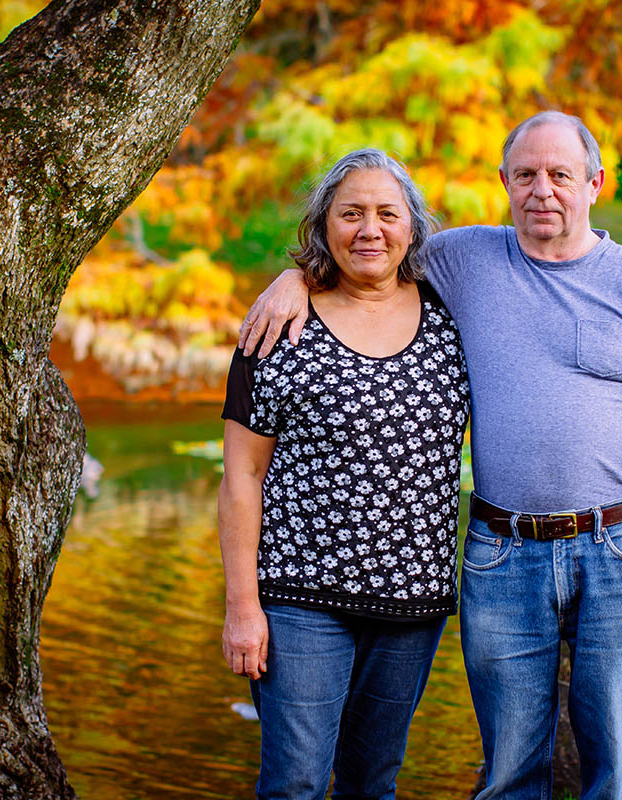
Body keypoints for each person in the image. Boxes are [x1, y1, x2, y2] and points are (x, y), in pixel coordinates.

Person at [238, 112, 622, 800]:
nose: (542, 190)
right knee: (509, 773)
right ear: (504, 183)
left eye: (560, 175)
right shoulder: (463, 260)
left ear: (595, 184)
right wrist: (294, 278)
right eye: (525, 175)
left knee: (614, 773)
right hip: (503, 554)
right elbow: (367, 251)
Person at [218, 148, 470, 800]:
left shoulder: (453, 316)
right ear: (323, 224)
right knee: (295, 784)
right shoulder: (278, 326)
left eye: (387, 214)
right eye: (351, 213)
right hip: (299, 598)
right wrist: (242, 607)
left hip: (412, 604)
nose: (370, 229)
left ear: (413, 227)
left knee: (372, 785)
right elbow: (242, 476)